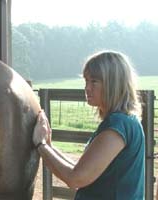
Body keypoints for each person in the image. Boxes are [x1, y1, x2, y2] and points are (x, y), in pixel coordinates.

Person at [33, 50, 145, 200]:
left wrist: (41, 145)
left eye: (94, 81)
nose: (87, 88)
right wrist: (48, 146)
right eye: (86, 81)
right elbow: (81, 170)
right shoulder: (125, 122)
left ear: (113, 83)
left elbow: (76, 178)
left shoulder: (117, 125)